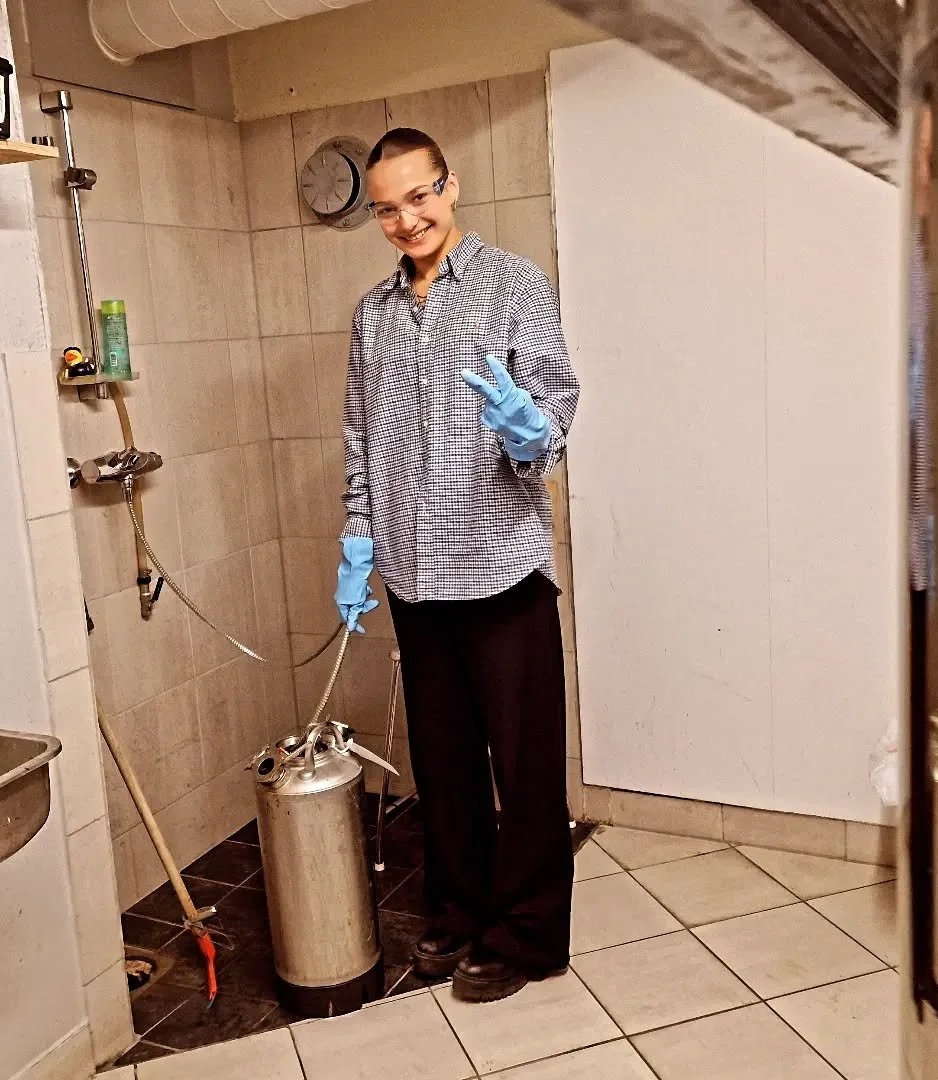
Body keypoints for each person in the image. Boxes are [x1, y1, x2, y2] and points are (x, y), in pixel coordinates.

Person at [333, 127, 581, 1003]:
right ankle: (461, 909)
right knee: (442, 762)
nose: (407, 219)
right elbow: (361, 435)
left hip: (501, 566)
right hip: (412, 570)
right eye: (387, 208)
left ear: (451, 185)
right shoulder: (372, 314)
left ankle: (528, 934)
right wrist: (359, 537)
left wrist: (530, 433)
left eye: (420, 196)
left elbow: (555, 401)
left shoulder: (515, 285)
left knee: (523, 761)